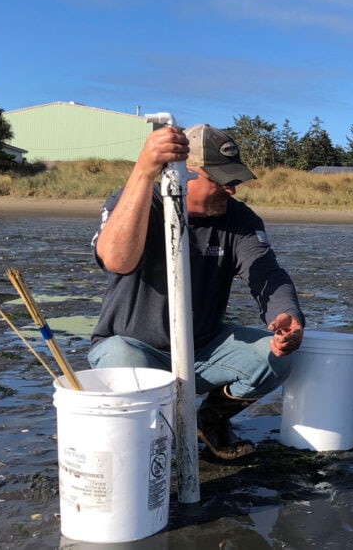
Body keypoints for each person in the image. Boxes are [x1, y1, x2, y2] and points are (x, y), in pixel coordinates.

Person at [88, 123, 305, 461]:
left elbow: (267, 273)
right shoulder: (138, 201)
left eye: (235, 180)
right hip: (130, 345)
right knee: (127, 372)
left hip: (203, 347)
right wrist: (144, 172)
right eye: (220, 180)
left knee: (276, 358)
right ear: (183, 173)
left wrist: (286, 313)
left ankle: (210, 421)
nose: (231, 189)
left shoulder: (239, 220)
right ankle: (142, 455)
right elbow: (116, 260)